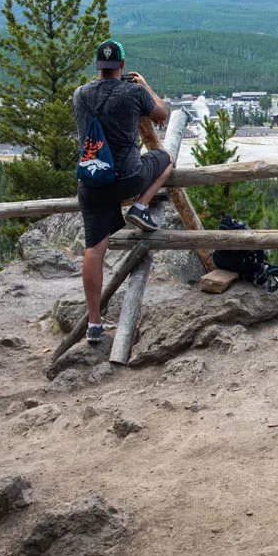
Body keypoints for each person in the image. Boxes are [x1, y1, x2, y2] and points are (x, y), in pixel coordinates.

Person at [74, 39, 173, 344]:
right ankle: (140, 206)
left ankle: (94, 323)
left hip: (92, 179)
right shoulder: (134, 91)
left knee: (94, 249)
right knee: (166, 159)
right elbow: (162, 114)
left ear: (96, 66)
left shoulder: (80, 94)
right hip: (128, 178)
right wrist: (146, 85)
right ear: (123, 66)